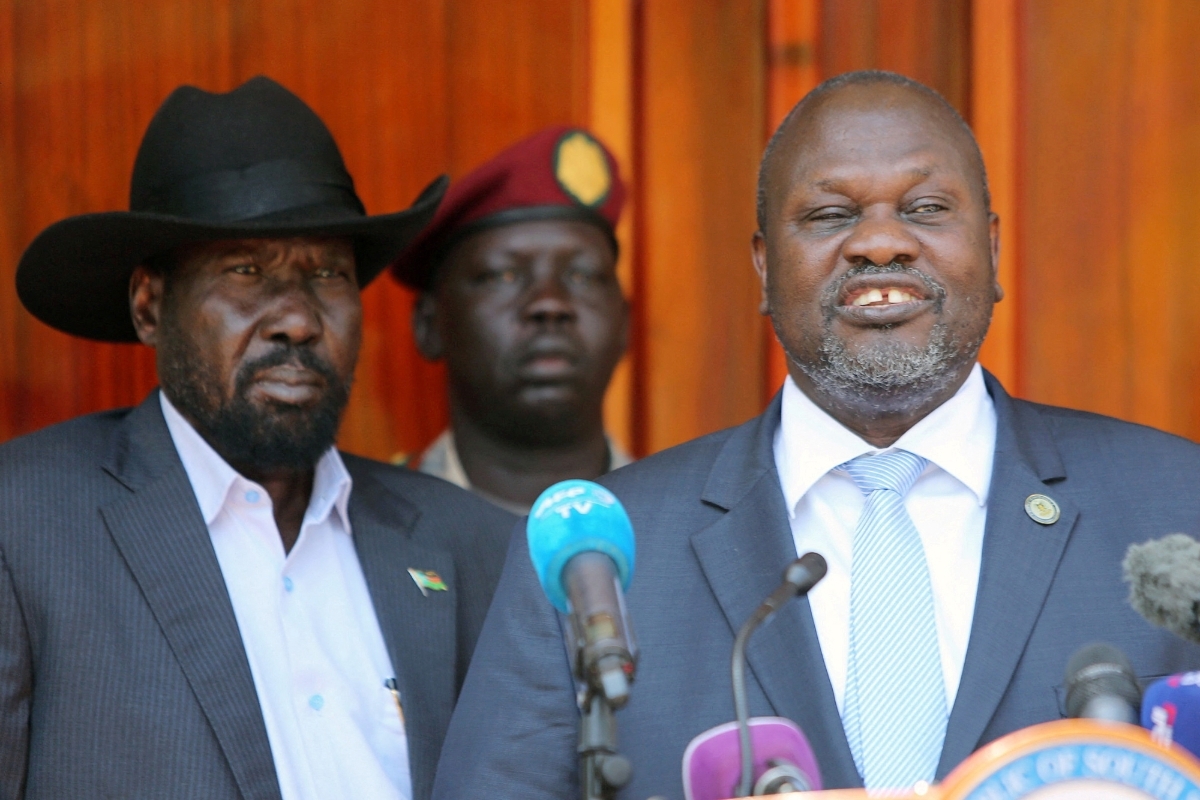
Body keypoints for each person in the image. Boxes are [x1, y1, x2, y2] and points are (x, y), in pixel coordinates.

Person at [432, 71, 1200, 799]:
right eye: (831, 215)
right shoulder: (593, 557)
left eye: (927, 208)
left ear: (993, 248)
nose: (879, 245)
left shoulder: (1176, 505)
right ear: (764, 267)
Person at [0, 77, 516, 800]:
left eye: (327, 273)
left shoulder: (468, 545)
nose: (297, 321)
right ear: (150, 306)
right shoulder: (26, 526)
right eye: (245, 270)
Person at [390, 126, 632, 515]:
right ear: (429, 325)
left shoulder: (690, 532)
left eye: (583, 275)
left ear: (625, 323)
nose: (549, 304)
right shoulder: (362, 534)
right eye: (503, 276)